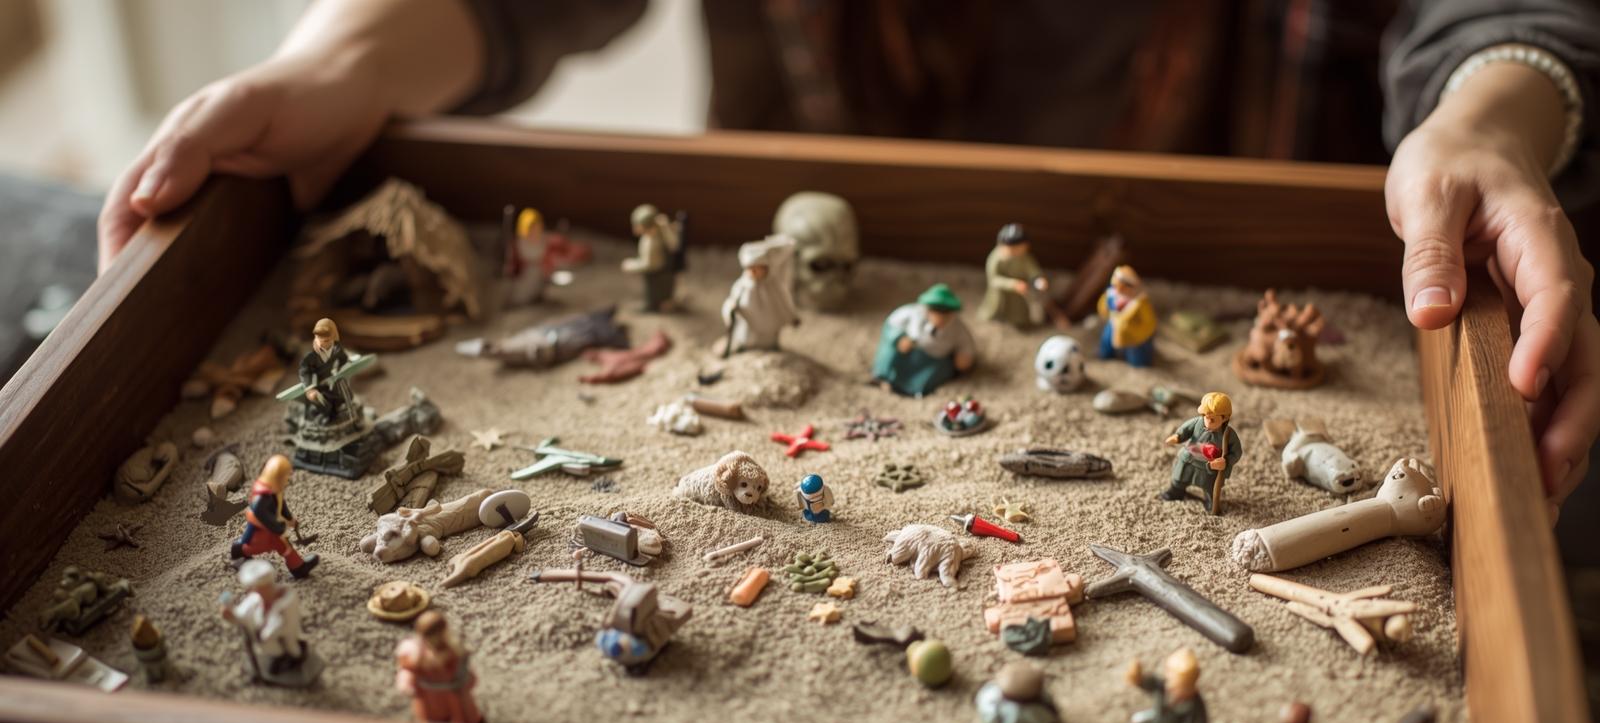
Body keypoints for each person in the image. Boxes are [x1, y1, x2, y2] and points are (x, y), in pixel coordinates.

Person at [94, 0, 1600, 524]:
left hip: (1299, 195)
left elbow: (1504, 13)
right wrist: (342, 60)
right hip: (819, 265)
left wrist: (1490, 119)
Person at [872, 283, 977, 397]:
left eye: (944, 313)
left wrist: (964, 357)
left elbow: (966, 345)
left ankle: (914, 389)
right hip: (910, 350)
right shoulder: (912, 313)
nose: (939, 317)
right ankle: (883, 378)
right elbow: (892, 324)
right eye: (935, 311)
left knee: (939, 371)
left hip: (935, 359)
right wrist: (898, 337)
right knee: (890, 352)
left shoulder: (958, 328)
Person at [231, 454, 319, 578]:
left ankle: (298, 567)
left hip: (272, 529)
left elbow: (281, 506)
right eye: (285, 476)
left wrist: (289, 518)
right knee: (258, 547)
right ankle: (240, 551)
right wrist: (281, 526)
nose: (288, 479)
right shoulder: (262, 497)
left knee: (285, 547)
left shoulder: (275, 490)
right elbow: (262, 515)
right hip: (263, 530)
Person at [394, 610, 485, 723]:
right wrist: (407, 684)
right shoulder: (415, 653)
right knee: (435, 718)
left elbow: (461, 668)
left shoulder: (452, 650)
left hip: (454, 692)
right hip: (430, 696)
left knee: (463, 715)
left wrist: (466, 679)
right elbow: (408, 669)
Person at [1161, 391, 1242, 513]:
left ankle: (1210, 500)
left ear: (1224, 418)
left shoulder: (1228, 435)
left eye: (1212, 419)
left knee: (1209, 486)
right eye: (1206, 417)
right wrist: (1178, 436)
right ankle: (1176, 490)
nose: (1208, 421)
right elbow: (1186, 429)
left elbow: (1236, 452)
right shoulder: (1198, 422)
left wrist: (1226, 461)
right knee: (1180, 476)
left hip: (1209, 466)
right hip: (1189, 457)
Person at [719, 234, 799, 354]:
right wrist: (730, 308)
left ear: (767, 268)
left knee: (767, 336)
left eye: (757, 269)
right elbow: (732, 299)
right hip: (748, 321)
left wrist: (792, 316)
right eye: (750, 269)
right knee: (746, 334)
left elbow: (783, 301)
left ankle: (769, 346)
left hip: (768, 322)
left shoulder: (773, 286)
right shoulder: (742, 285)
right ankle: (744, 345)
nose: (753, 272)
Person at [979, 223, 1047, 327]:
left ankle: (1019, 322)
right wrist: (1013, 284)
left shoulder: (1025, 258)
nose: (1015, 251)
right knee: (996, 309)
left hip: (1018, 295)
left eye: (1018, 247)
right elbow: (994, 279)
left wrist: (1038, 279)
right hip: (1000, 293)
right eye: (1011, 248)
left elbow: (1033, 271)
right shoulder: (996, 259)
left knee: (1018, 311)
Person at [1096, 265, 1158, 367]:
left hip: (1134, 332)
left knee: (1137, 357)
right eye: (1116, 285)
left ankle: (1139, 362)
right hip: (1114, 323)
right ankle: (1106, 355)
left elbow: (1149, 322)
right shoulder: (1112, 295)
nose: (1118, 289)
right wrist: (1106, 311)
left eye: (1124, 286)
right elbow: (1103, 307)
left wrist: (1141, 334)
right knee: (1106, 343)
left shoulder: (1140, 302)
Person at [298, 317, 356, 423]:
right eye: (318, 338)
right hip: (320, 385)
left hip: (334, 380)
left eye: (326, 340)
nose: (321, 343)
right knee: (324, 404)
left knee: (344, 396)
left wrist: (343, 368)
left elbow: (343, 359)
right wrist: (309, 388)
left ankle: (347, 414)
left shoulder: (337, 349)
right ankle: (326, 416)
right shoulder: (310, 357)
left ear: (333, 338)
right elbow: (304, 371)